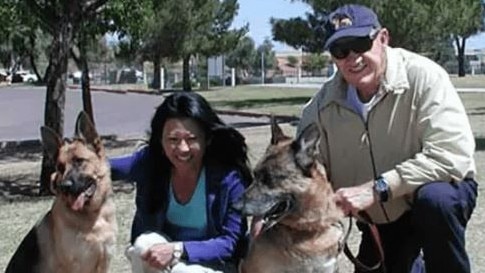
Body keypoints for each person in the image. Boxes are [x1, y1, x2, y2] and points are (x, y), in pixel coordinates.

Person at [297, 4, 478, 273]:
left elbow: (452, 156)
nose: (352, 57)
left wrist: (379, 188)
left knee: (436, 201)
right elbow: (302, 167)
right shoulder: (320, 107)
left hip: (431, 196)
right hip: (380, 217)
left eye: (360, 43)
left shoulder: (424, 77)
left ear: (382, 38)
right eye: (340, 50)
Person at [110, 91, 252, 273]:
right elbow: (102, 167)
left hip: (215, 266)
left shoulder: (228, 178)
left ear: (207, 139)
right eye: (173, 140)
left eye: (192, 139)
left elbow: (231, 243)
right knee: (144, 245)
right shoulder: (150, 163)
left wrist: (178, 249)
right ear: (160, 140)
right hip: (168, 264)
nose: (182, 149)